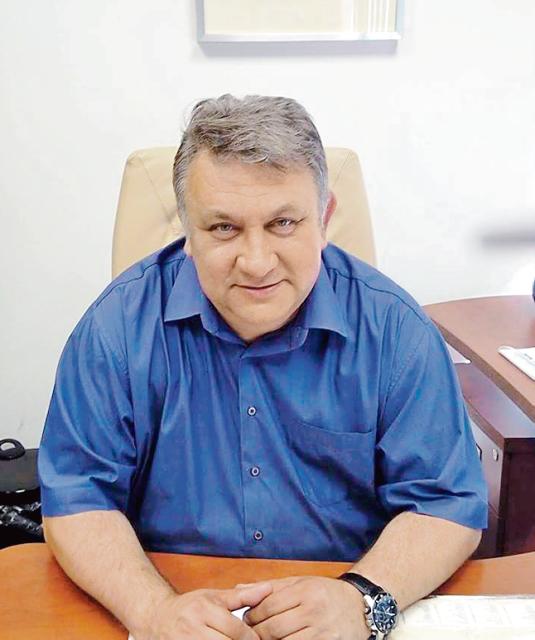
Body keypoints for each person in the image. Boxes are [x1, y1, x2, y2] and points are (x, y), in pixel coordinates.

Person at [39, 94, 487, 640]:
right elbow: (77, 498)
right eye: (224, 228)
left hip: (336, 607)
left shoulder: (395, 330)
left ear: (324, 218)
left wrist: (363, 598)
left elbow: (445, 504)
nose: (256, 262)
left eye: (283, 223)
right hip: (173, 602)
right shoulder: (115, 329)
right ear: (187, 229)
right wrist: (151, 610)